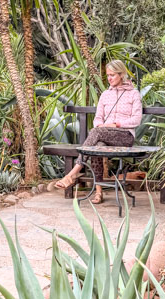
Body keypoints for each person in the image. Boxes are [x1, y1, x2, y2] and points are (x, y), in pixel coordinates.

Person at [54, 60, 143, 204]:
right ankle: (99, 192)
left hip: (125, 136)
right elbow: (98, 118)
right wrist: (101, 125)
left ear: (121, 75)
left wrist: (115, 124)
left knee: (96, 134)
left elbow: (136, 120)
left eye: (112, 75)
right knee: (97, 144)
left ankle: (71, 174)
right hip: (104, 134)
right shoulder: (105, 95)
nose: (109, 78)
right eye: (108, 75)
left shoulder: (133, 94)